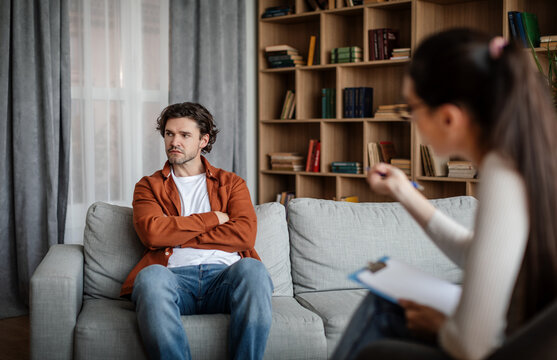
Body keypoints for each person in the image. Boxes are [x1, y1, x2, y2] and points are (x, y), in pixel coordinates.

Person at [332, 28, 557, 360]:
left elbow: (471, 346)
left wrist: (441, 324)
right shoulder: (529, 155)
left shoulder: (502, 172)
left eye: (412, 108)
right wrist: (402, 192)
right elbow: (477, 253)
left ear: (449, 117)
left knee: (379, 331)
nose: (411, 121)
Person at [119, 102, 273, 360]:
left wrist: (178, 234)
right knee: (149, 278)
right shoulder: (148, 186)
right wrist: (212, 218)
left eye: (184, 135)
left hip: (225, 279)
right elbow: (153, 235)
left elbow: (244, 235)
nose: (174, 141)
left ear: (204, 140)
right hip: (174, 280)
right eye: (169, 134)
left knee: (254, 270)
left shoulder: (232, 183)